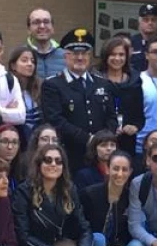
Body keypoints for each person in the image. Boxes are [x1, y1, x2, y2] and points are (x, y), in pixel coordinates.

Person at [12, 144, 98, 246]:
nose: (53, 164)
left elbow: (84, 228)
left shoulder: (69, 189)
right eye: (48, 160)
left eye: (58, 161)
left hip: (55, 243)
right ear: (38, 164)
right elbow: (22, 234)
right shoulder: (24, 190)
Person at [41, 28, 120, 172]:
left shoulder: (102, 84)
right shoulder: (53, 85)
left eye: (84, 53)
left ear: (89, 56)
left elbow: (111, 116)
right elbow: (55, 120)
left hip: (101, 156)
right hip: (70, 154)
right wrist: (88, 139)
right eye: (75, 54)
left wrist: (104, 141)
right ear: (65, 56)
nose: (80, 58)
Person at [97, 36, 144, 148]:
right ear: (105, 56)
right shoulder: (95, 80)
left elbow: (139, 116)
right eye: (113, 54)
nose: (117, 58)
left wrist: (135, 127)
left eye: (121, 55)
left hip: (127, 140)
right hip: (101, 140)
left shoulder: (135, 81)